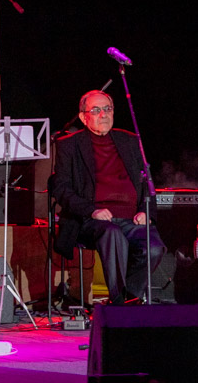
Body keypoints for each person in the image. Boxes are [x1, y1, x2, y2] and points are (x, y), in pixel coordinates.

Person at [50, 90, 166, 305]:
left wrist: (146, 211)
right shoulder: (69, 145)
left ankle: (129, 298)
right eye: (96, 110)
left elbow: (147, 183)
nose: (103, 114)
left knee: (154, 248)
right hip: (90, 219)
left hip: (132, 218)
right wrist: (92, 211)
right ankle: (119, 303)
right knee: (113, 234)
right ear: (83, 117)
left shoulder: (130, 141)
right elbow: (61, 188)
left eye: (107, 109)